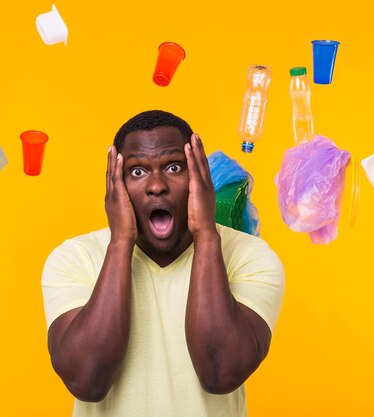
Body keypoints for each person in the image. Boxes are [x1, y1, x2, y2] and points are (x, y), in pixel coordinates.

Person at [42, 110, 285, 417]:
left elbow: (220, 373)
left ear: (200, 176)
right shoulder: (73, 258)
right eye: (137, 172)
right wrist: (120, 242)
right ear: (115, 184)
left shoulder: (251, 257)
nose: (157, 186)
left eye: (174, 167)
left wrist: (206, 236)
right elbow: (88, 381)